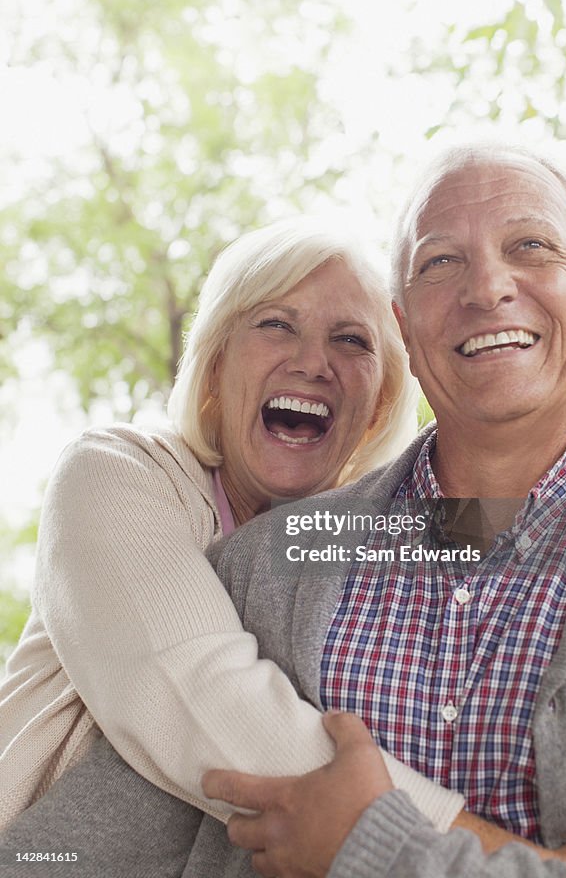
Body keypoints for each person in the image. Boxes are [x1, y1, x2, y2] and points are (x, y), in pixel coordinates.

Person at [193, 142, 566, 877]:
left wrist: (381, 850)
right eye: (440, 262)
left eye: (530, 245)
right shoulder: (262, 563)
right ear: (406, 331)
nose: (486, 287)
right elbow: (110, 837)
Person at [0, 218, 465, 841]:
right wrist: (491, 858)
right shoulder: (114, 475)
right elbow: (215, 709)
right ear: (217, 364)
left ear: (379, 400)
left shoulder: (360, 539)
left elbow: (524, 541)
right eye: (277, 323)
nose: (312, 362)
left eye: (351, 340)